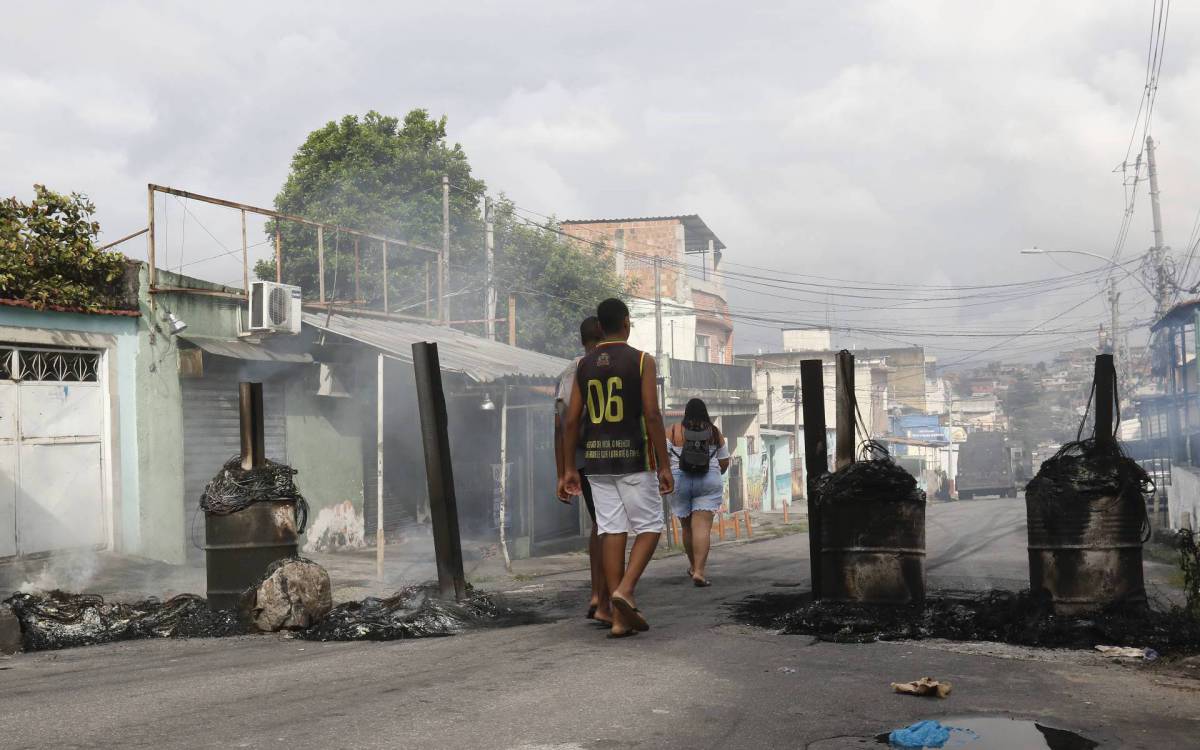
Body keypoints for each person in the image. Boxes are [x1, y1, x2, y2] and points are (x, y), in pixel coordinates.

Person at [561, 298, 673, 639]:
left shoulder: (583, 365)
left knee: (611, 531)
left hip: (595, 460)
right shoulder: (642, 361)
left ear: (599, 326)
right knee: (651, 527)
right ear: (626, 322)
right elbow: (652, 415)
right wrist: (665, 463)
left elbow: (571, 419)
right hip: (634, 459)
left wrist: (568, 468)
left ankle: (620, 618)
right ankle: (624, 590)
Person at [554, 316, 610, 624]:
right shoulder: (605, 366)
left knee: (599, 525)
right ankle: (607, 598)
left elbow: (559, 427)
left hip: (581, 461)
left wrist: (562, 471)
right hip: (608, 458)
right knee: (610, 527)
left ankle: (597, 593)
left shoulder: (567, 372)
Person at [666, 398, 730, 587]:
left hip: (680, 479)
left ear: (686, 412)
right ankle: (700, 572)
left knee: (687, 528)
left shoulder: (673, 430)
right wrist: (714, 472)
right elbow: (724, 461)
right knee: (702, 528)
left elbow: (662, 455)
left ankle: (693, 566)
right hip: (708, 478)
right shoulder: (714, 432)